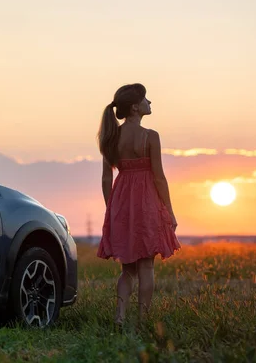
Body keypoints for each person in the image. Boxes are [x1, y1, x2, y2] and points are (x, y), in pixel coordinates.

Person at [96, 83, 180, 327]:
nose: (149, 103)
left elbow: (105, 177)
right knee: (146, 266)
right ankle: (143, 319)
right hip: (146, 203)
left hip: (121, 201)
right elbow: (159, 177)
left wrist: (110, 208)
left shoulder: (111, 137)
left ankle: (120, 316)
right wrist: (170, 210)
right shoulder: (150, 137)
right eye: (146, 99)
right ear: (135, 108)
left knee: (127, 269)